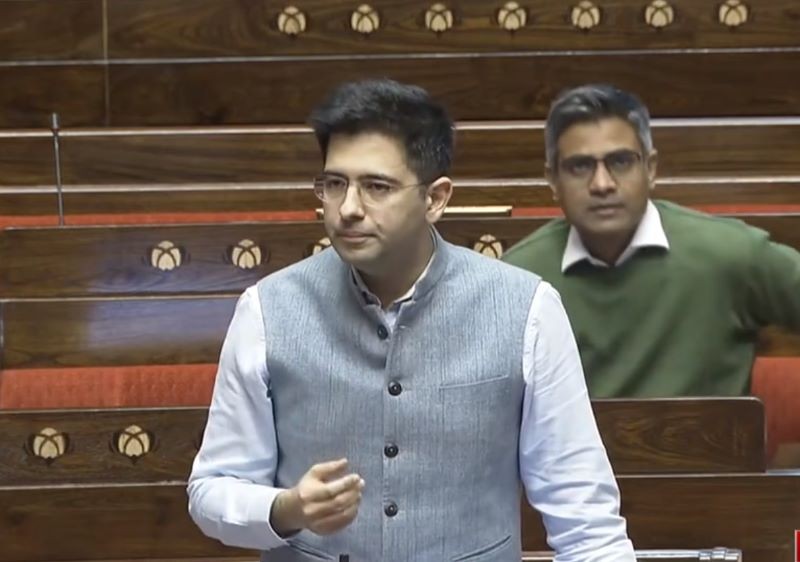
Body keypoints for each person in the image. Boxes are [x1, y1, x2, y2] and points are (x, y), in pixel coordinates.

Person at [187, 78, 635, 562]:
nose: (348, 209)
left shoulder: (528, 310)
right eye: (334, 184)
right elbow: (212, 489)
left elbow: (586, 522)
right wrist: (285, 508)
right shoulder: (266, 309)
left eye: (376, 187)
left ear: (435, 198)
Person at [503, 84, 800, 398]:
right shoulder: (517, 281)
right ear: (553, 180)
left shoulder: (730, 254)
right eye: (580, 166)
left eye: (620, 161)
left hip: (703, 432)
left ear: (650, 168)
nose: (602, 184)